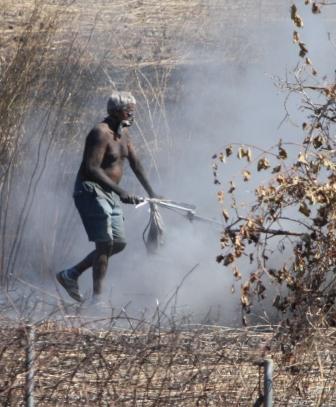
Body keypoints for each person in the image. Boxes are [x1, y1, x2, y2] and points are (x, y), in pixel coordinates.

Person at [57, 91, 158, 303]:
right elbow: (92, 168)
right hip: (90, 190)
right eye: (128, 110)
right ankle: (98, 300)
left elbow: (136, 165)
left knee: (118, 243)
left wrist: (152, 193)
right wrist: (122, 192)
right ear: (114, 111)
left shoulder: (124, 134)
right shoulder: (99, 133)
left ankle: (71, 274)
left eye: (133, 109)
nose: (132, 114)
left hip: (109, 193)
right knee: (105, 243)